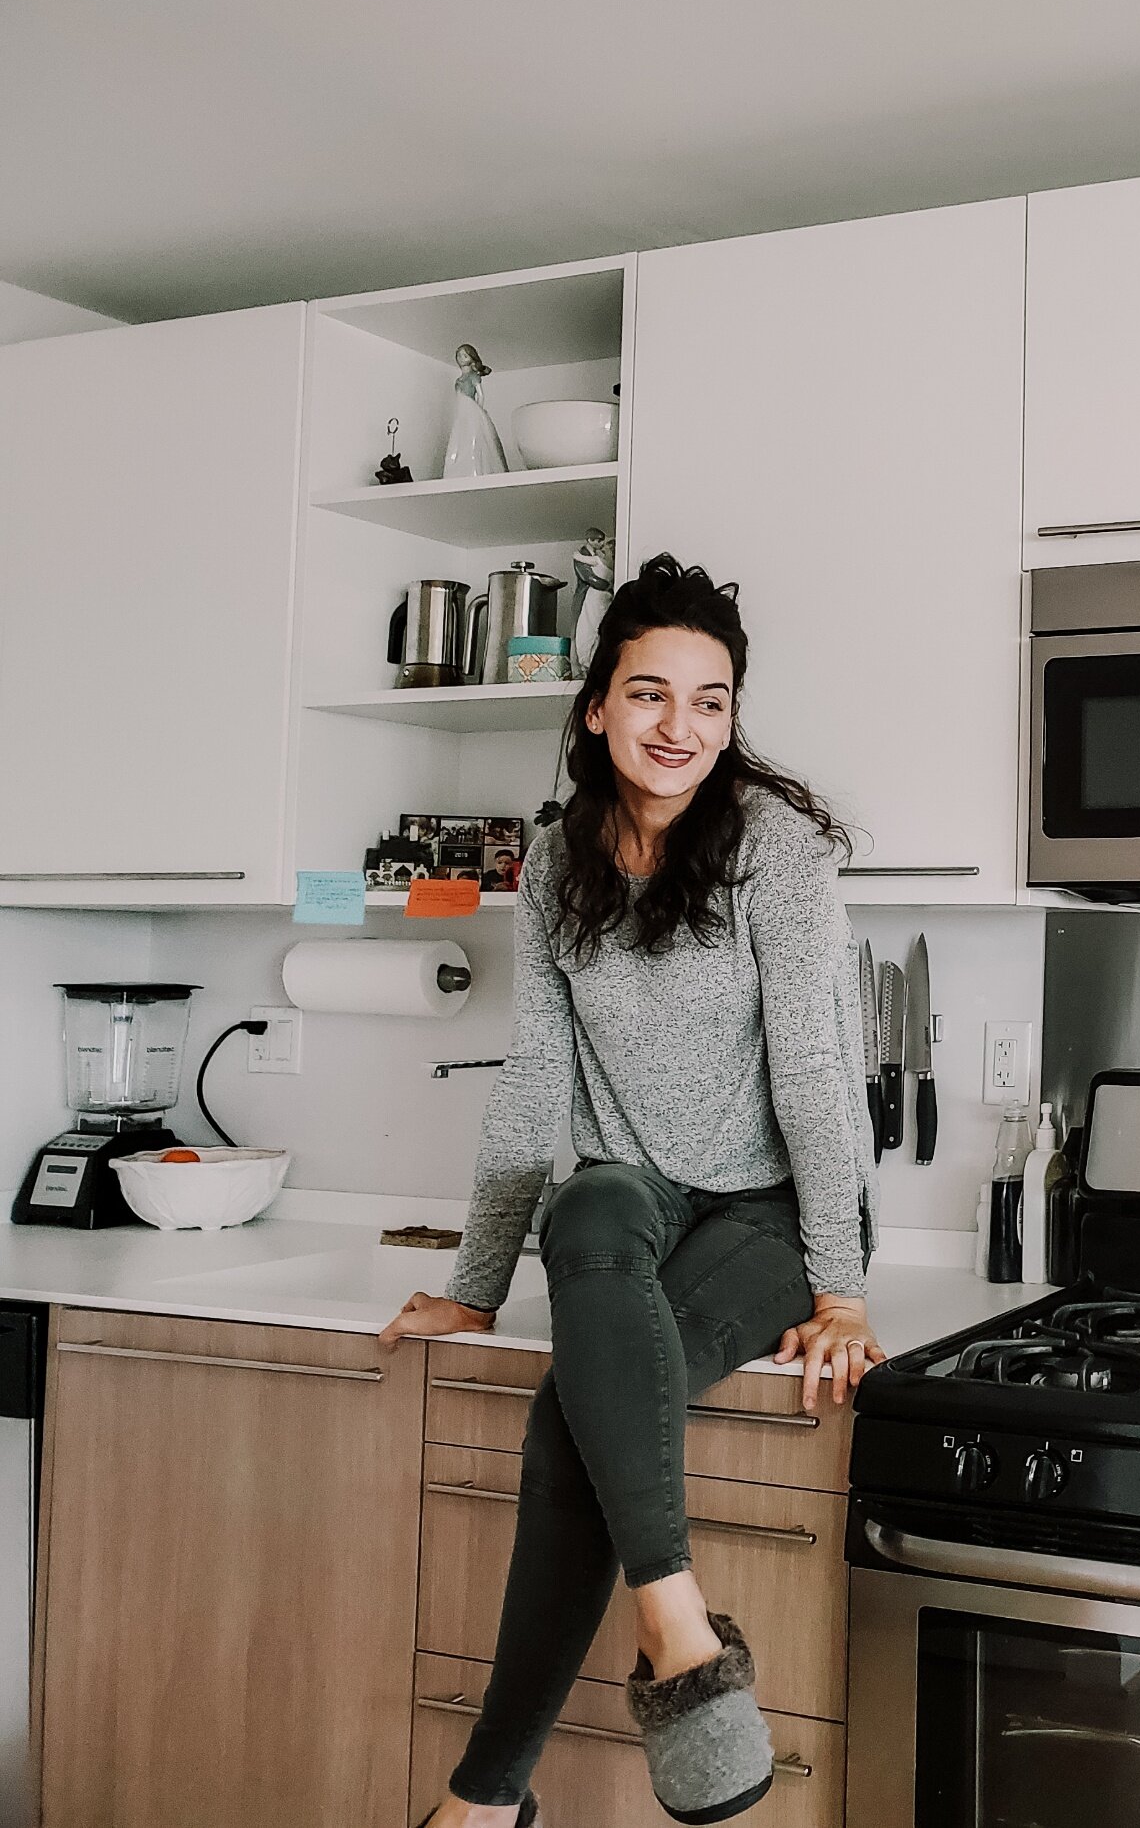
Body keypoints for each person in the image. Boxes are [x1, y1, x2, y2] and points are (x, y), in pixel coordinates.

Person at [380, 554, 883, 1826]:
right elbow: (533, 1078)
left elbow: (817, 1080)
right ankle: (677, 1628)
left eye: (710, 701)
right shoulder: (555, 863)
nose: (681, 728)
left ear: (732, 716)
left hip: (765, 1213)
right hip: (629, 1200)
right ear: (596, 706)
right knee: (588, 1205)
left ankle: (486, 1802)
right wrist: (476, 1289)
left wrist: (842, 1287)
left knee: (573, 1423)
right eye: (650, 694)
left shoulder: (777, 852)